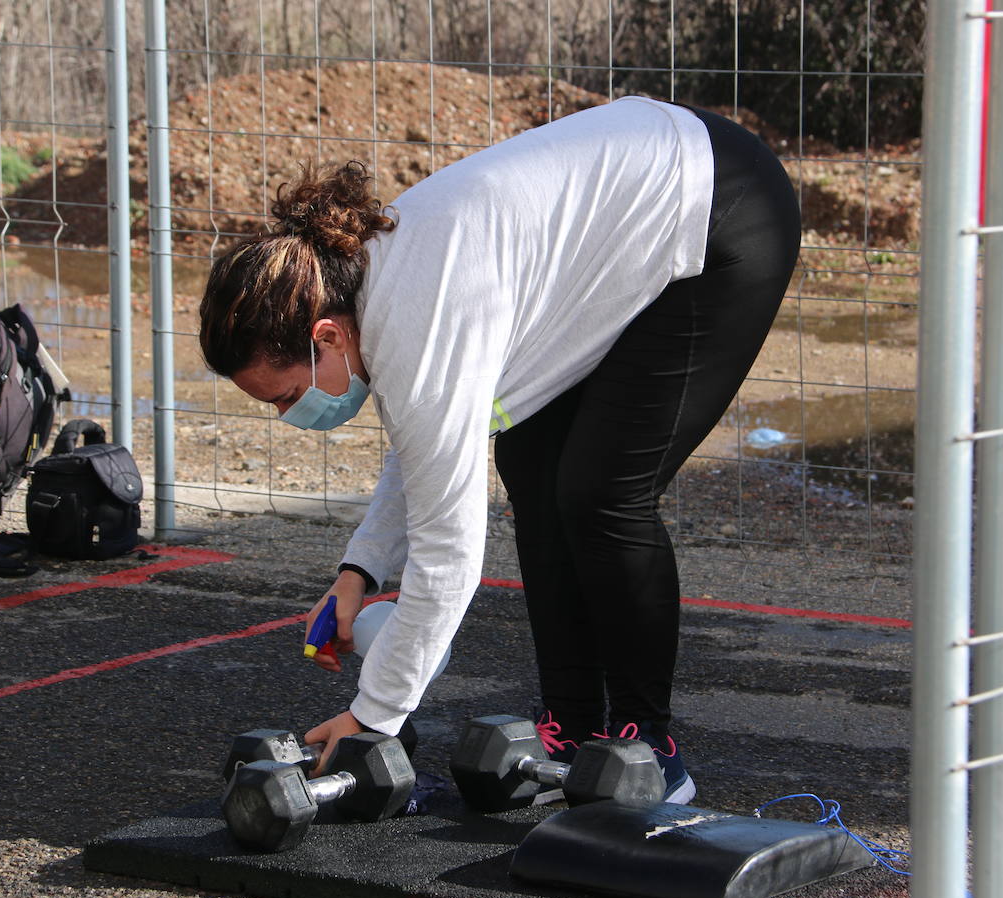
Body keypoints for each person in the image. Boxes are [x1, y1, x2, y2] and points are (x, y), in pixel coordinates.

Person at [198, 95, 801, 804]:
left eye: (282, 395)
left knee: (602, 491)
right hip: (639, 218)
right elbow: (429, 454)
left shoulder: (413, 318)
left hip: (722, 209)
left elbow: (449, 557)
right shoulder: (373, 289)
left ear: (325, 337)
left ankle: (650, 751)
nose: (287, 414)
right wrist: (359, 571)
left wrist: (373, 717)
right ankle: (573, 730)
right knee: (532, 463)